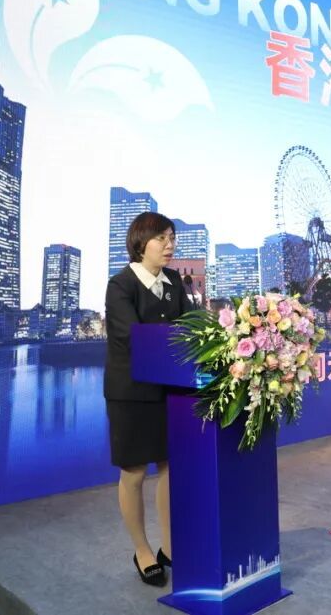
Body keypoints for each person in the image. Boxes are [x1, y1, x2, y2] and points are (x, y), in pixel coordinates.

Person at [104, 212, 191, 587]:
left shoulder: (174, 281)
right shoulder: (120, 285)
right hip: (132, 394)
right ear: (141, 243)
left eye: (172, 238)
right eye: (162, 238)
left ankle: (169, 547)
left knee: (170, 467)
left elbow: (191, 324)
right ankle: (142, 550)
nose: (170, 245)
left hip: (168, 388)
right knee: (134, 472)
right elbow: (132, 337)